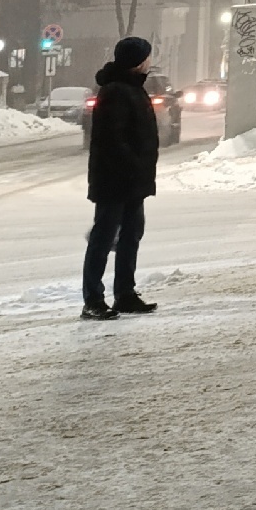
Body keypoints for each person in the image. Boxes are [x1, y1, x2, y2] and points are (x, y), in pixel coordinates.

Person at [83, 36, 160, 319]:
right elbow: (112, 140)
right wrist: (133, 166)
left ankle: (125, 294)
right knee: (103, 240)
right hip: (115, 181)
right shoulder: (116, 91)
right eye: (146, 57)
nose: (149, 62)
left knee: (131, 236)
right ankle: (93, 299)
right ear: (137, 60)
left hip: (132, 181)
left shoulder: (132, 88)